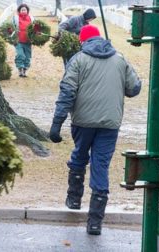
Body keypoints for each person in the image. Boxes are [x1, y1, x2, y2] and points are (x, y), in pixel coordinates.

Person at [49, 25, 141, 235]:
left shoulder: (78, 59)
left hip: (82, 122)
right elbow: (134, 89)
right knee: (100, 166)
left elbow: (67, 91)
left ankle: (73, 200)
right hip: (110, 124)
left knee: (80, 156)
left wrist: (57, 123)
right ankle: (94, 223)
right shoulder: (119, 58)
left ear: (83, 41)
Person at [12, 3, 34, 77]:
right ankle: (20, 70)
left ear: (27, 11)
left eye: (25, 10)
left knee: (27, 57)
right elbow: (11, 27)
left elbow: (35, 28)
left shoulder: (31, 18)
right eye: (22, 10)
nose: (24, 11)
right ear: (19, 11)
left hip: (28, 41)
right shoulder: (16, 18)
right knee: (20, 55)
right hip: (18, 41)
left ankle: (24, 70)